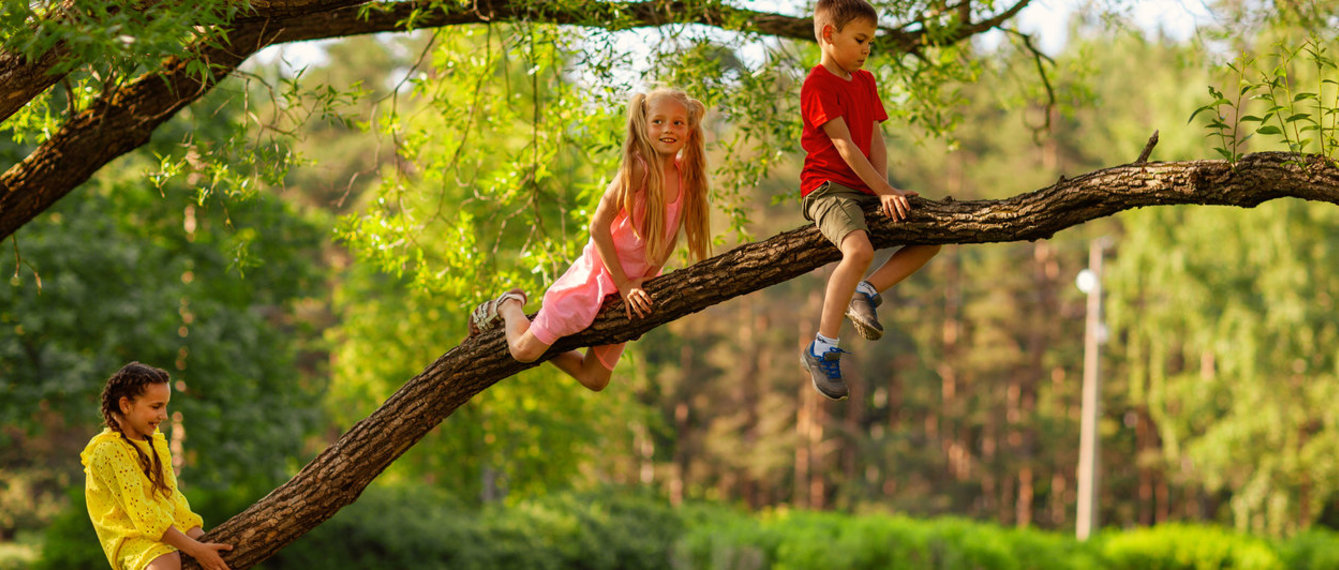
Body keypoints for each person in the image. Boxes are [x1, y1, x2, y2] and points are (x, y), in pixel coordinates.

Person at [469, 88, 711, 392]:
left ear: (689, 131)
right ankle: (509, 306)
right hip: (599, 277)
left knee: (595, 378)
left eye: (678, 123)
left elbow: (671, 232)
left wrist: (649, 277)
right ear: (643, 126)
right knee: (523, 351)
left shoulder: (685, 177)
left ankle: (546, 338)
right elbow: (598, 228)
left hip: (634, 285)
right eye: (659, 121)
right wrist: (623, 283)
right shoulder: (636, 170)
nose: (668, 129)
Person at [798, 0, 942, 400]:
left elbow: (875, 137)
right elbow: (843, 145)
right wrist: (880, 190)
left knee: (932, 235)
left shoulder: (866, 82)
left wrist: (886, 190)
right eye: (860, 40)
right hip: (827, 189)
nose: (866, 49)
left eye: (871, 43)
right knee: (858, 249)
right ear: (829, 36)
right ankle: (822, 348)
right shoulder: (818, 85)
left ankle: (866, 292)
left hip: (866, 188)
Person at [82, 362, 232, 570]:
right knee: (167, 563)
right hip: (132, 537)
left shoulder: (155, 442)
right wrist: (195, 549)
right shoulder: (108, 450)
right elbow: (145, 514)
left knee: (210, 547)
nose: (164, 415)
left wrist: (197, 536)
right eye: (156, 407)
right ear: (125, 405)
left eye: (165, 406)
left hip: (163, 527)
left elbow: (172, 498)